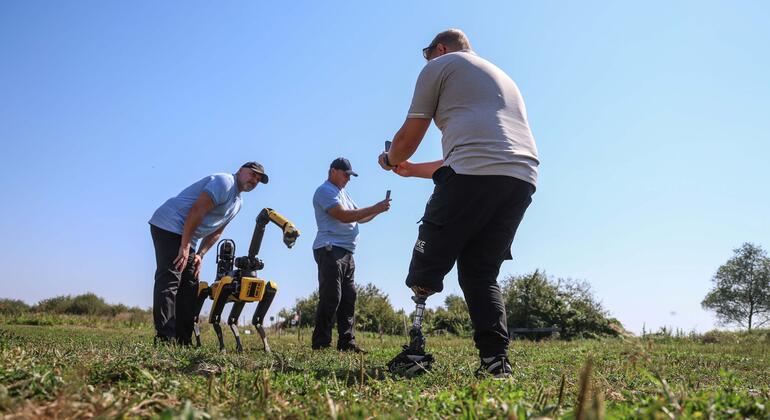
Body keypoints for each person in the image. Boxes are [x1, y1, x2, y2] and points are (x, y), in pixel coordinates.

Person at [378, 29, 539, 377]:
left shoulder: (441, 65)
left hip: (473, 174)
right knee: (481, 272)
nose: (427, 60)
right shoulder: (499, 77)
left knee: (427, 261)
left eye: (427, 53)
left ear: (440, 48)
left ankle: (415, 351)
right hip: (520, 178)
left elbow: (408, 137)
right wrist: (409, 171)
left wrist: (391, 159)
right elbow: (471, 157)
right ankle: (495, 362)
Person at [148, 162, 268, 344]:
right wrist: (186, 243)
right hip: (170, 224)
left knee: (190, 284)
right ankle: (165, 337)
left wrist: (200, 254)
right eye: (252, 174)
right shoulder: (224, 182)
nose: (254, 180)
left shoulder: (238, 203)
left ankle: (182, 340)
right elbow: (197, 210)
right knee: (171, 278)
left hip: (188, 235)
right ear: (240, 171)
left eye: (258, 180)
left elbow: (217, 231)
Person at [311, 157, 391, 352]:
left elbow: (359, 217)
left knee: (348, 297)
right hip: (330, 248)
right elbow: (343, 215)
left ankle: (347, 343)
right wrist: (375, 208)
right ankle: (321, 344)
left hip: (346, 252)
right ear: (333, 171)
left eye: (350, 175)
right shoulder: (325, 191)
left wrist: (379, 210)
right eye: (346, 174)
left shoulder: (342, 193)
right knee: (332, 297)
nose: (349, 178)